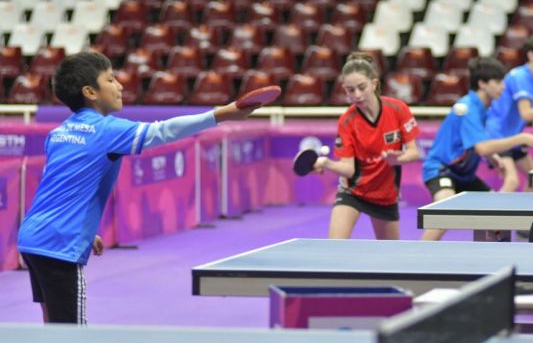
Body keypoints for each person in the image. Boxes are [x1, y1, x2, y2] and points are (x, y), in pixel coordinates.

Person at [17, 52, 259, 324]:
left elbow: (57, 187)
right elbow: (163, 131)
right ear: (90, 92)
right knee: (71, 332)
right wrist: (222, 114)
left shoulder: (59, 133)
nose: (120, 85)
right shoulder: (106, 129)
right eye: (110, 79)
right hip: (60, 242)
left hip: (33, 237)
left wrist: (84, 230)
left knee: (52, 325)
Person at [421, 57, 533, 241]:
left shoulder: (484, 106)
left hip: (464, 174)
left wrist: (493, 156)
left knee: (496, 215)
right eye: (498, 82)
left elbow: (475, 142)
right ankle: (418, 257)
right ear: (483, 83)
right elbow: (482, 147)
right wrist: (521, 138)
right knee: (445, 213)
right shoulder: (467, 107)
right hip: (441, 170)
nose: (503, 86)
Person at [313, 52, 420, 240]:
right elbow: (348, 169)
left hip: (385, 195)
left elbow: (414, 153)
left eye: (362, 87)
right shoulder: (347, 121)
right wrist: (327, 163)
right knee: (332, 249)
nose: (357, 95)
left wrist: (398, 158)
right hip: (353, 192)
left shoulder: (398, 109)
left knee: (390, 259)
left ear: (374, 83)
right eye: (350, 90)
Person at [486, 34, 533, 193]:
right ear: (532, 55)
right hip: (497, 135)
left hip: (512, 136)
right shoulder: (520, 76)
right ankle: (491, 217)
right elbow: (526, 114)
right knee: (512, 181)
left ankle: (524, 216)